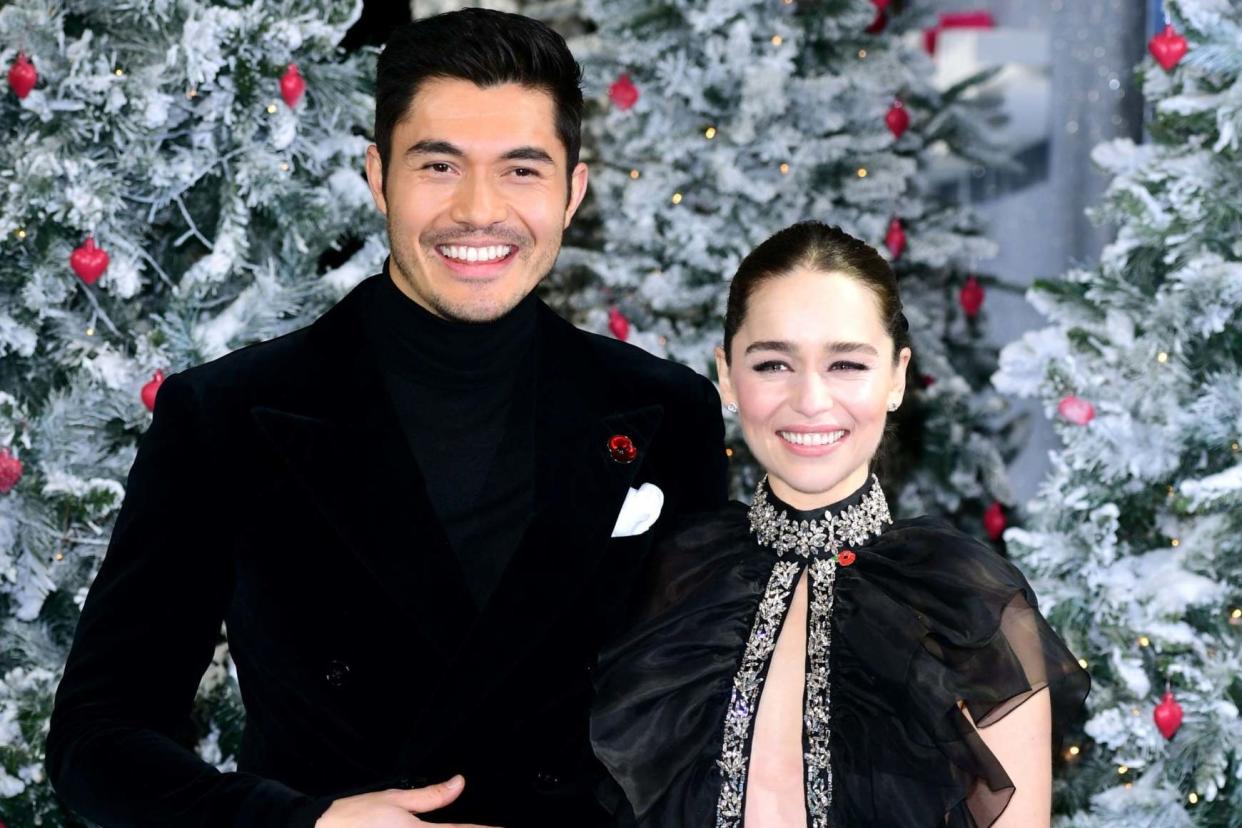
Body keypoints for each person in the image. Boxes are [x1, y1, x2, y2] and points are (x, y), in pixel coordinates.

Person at [44, 9, 727, 828]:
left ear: (573, 192)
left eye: (522, 170)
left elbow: (706, 726)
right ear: (378, 177)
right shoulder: (224, 416)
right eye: (439, 165)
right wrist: (305, 824)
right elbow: (96, 740)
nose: (479, 210)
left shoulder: (668, 414)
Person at [590, 222, 1090, 827]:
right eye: (774, 363)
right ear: (727, 374)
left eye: (847, 364)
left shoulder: (970, 611)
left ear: (897, 376)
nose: (810, 400)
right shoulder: (664, 577)